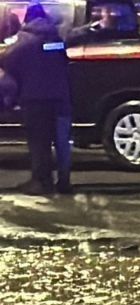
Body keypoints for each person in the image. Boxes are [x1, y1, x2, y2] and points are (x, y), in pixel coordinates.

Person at [0, 3, 73, 195]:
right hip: (58, 96)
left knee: (39, 142)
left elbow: (8, 59)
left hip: (35, 98)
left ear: (27, 19)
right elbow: (63, 60)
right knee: (60, 141)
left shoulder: (25, 40)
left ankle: (41, 182)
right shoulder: (56, 38)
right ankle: (63, 181)